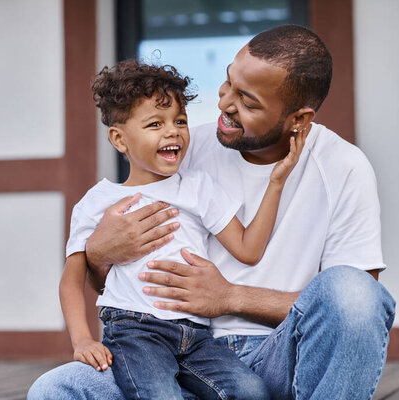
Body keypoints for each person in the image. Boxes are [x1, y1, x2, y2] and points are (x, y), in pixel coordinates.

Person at [28, 25, 396, 400]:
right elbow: (114, 282)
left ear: (299, 119)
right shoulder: (183, 149)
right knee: (56, 389)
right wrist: (99, 253)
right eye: (227, 83)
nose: (223, 104)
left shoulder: (344, 167)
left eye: (248, 102)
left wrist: (230, 297)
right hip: (171, 357)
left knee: (354, 292)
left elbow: (349, 310)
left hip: (284, 357)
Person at [58, 59, 306, 400]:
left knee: (251, 391)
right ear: (119, 139)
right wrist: (82, 339)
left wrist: (276, 182)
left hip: (196, 335)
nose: (173, 131)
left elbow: (249, 249)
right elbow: (72, 278)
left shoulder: (197, 187)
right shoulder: (98, 201)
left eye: (180, 121)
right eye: (155, 124)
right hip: (135, 330)